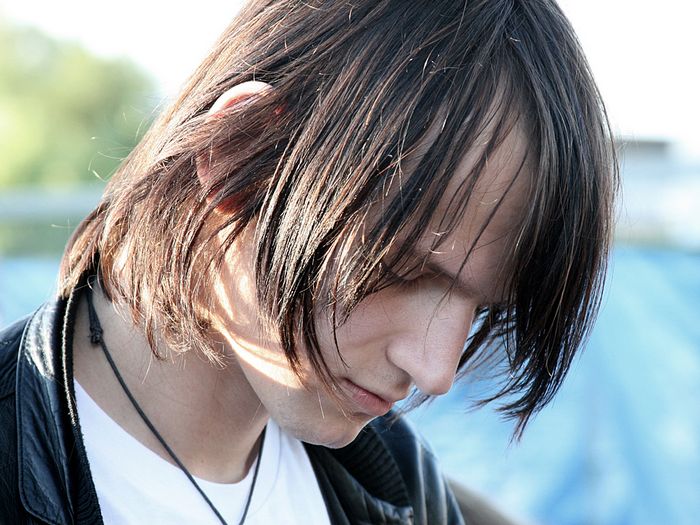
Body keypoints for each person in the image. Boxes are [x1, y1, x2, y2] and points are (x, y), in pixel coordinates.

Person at [0, 0, 617, 523]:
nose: (436, 371)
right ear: (241, 154)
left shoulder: (408, 496)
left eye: (483, 309)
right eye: (402, 271)